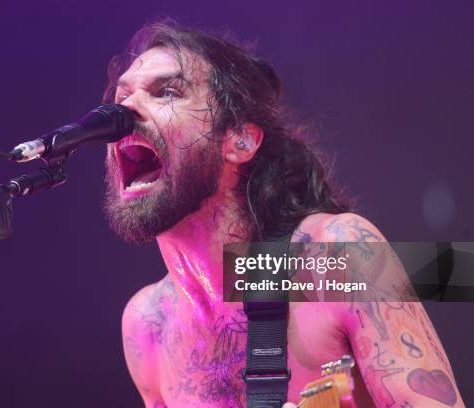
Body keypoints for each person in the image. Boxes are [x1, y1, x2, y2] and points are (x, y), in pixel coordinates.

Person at [101, 20, 464, 407]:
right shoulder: (146, 325)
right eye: (120, 98)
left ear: (239, 141)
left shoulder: (335, 257)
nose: (127, 110)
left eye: (168, 92)